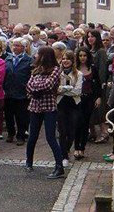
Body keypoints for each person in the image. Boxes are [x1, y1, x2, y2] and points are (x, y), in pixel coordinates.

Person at [24, 46, 64, 179]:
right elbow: (29, 85)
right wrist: (37, 88)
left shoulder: (55, 70)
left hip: (49, 107)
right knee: (32, 137)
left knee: (50, 137)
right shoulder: (36, 70)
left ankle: (59, 167)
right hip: (35, 106)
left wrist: (37, 88)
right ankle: (29, 161)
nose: (36, 56)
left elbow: (49, 85)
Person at [4, 38, 34, 145]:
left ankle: (21, 135)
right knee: (8, 115)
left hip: (22, 92)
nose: (15, 47)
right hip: (9, 92)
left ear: (23, 47)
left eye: (17, 45)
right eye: (14, 45)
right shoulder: (8, 58)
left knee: (21, 116)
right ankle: (10, 133)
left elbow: (32, 76)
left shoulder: (29, 60)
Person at [56, 51, 83, 167]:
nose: (65, 61)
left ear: (72, 61)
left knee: (72, 131)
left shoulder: (79, 74)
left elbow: (78, 91)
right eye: (63, 59)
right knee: (62, 131)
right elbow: (55, 89)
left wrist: (63, 90)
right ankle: (64, 155)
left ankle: (66, 149)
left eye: (68, 59)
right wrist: (68, 87)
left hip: (74, 105)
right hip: (61, 104)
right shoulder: (57, 73)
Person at [74, 47, 101, 159]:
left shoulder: (93, 68)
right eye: (80, 56)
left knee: (85, 123)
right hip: (77, 98)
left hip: (89, 98)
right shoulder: (74, 68)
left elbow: (98, 83)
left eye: (84, 55)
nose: (82, 58)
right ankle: (76, 147)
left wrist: (98, 97)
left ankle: (82, 148)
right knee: (77, 123)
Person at [87, 30, 110, 144]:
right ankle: (92, 132)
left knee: (99, 110)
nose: (90, 38)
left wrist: (100, 84)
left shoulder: (101, 51)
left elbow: (102, 69)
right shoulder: (88, 50)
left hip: (97, 84)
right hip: (88, 84)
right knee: (90, 110)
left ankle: (104, 132)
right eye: (88, 36)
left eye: (93, 36)